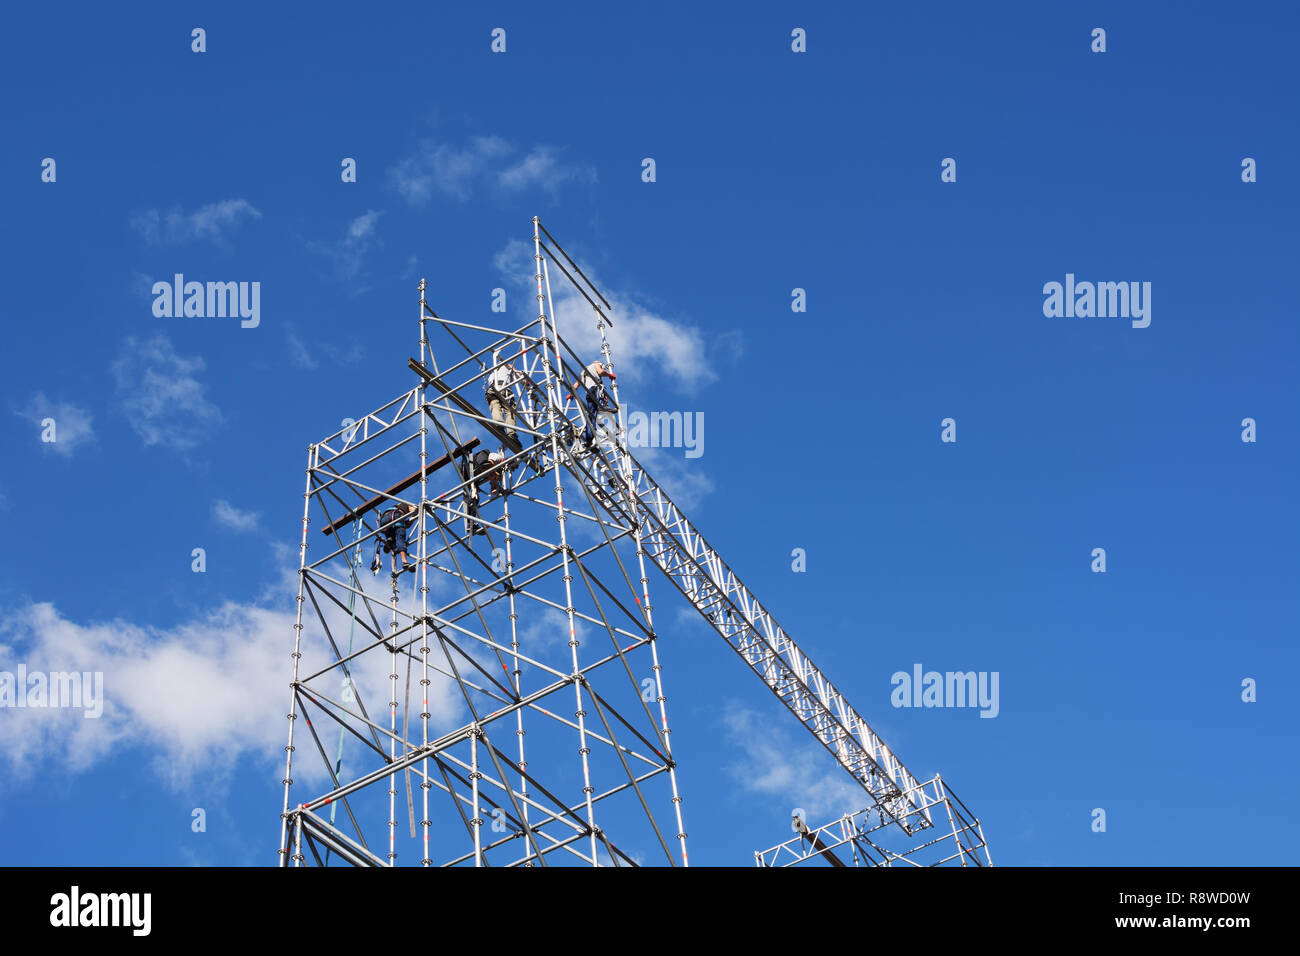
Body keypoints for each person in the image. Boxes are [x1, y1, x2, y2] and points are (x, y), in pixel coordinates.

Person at [569, 360, 616, 449]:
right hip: (595, 389)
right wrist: (610, 375)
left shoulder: (583, 372)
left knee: (591, 416)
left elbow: (575, 385)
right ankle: (604, 407)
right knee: (601, 391)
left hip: (589, 393)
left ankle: (589, 439)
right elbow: (601, 372)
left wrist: (570, 395)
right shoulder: (596, 364)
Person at [464, 449, 507, 536]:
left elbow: (493, 490)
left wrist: (495, 486)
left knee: (475, 497)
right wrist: (496, 474)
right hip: (471, 466)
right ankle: (471, 522)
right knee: (485, 454)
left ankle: (471, 523)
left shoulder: (497, 471)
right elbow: (488, 465)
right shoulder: (498, 458)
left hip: (470, 473)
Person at [484, 348, 522, 443]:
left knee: (495, 405)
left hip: (492, 389)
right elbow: (514, 370)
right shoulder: (506, 366)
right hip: (503, 387)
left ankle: (498, 422)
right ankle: (511, 433)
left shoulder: (492, 374)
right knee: (510, 411)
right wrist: (523, 378)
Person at [371, 502, 416, 576]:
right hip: (396, 516)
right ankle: (405, 562)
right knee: (400, 538)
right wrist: (414, 516)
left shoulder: (397, 506)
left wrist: (407, 522)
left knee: (392, 533)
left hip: (384, 521)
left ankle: (389, 541)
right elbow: (413, 510)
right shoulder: (408, 505)